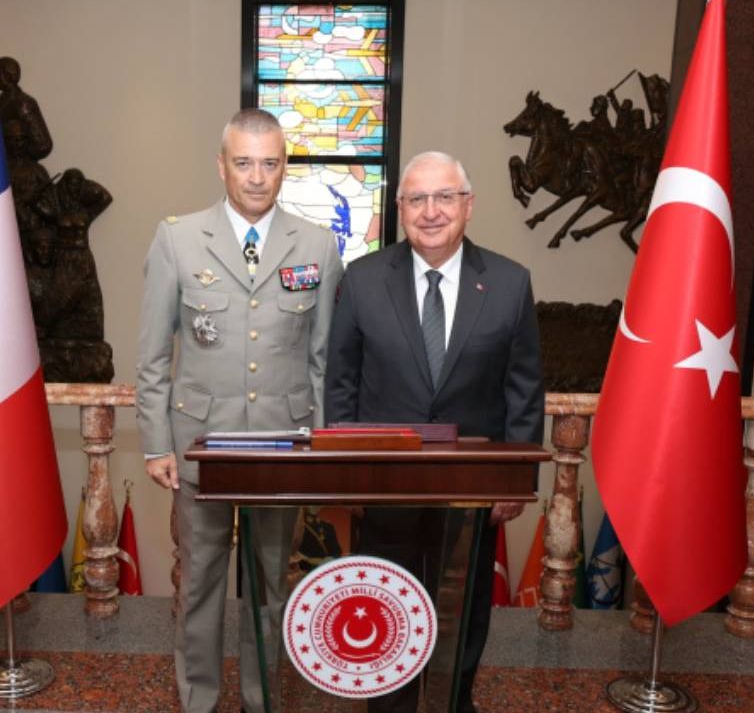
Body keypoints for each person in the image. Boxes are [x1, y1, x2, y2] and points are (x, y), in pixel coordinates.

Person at [135, 108, 343, 713]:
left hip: (283, 446)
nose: (257, 177)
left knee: (271, 584)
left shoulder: (316, 244)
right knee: (199, 580)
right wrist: (156, 443)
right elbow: (153, 355)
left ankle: (262, 698)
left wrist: (320, 447)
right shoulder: (177, 238)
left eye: (269, 163)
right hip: (200, 446)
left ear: (284, 168)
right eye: (244, 162)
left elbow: (323, 360)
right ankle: (198, 698)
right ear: (221, 166)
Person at [324, 151, 544, 713]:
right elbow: (341, 383)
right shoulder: (363, 279)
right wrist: (347, 473)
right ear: (399, 209)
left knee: (464, 608)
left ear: (468, 205)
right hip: (384, 484)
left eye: (444, 197)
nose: (431, 211)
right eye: (417, 199)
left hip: (472, 488)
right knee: (386, 605)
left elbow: (523, 389)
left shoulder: (509, 283)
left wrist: (515, 479)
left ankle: (454, 702)